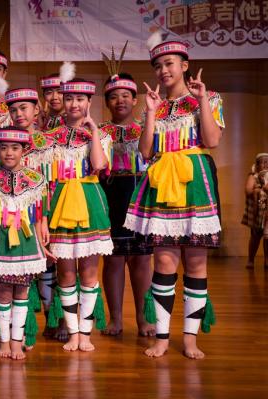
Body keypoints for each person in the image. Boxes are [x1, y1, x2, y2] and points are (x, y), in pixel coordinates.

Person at [125, 32, 224, 359]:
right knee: (164, 262)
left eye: (169, 63)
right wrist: (151, 111)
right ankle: (163, 337)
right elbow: (145, 152)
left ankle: (191, 339)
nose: (163, 70)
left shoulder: (208, 98)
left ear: (184, 65)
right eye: (157, 66)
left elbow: (212, 140)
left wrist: (203, 99)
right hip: (161, 182)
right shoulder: (154, 105)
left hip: (194, 181)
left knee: (196, 262)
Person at [46, 71, 113, 352]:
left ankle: (85, 333)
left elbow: (98, 165)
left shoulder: (101, 135)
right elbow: (44, 179)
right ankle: (73, 332)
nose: (74, 104)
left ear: (89, 101)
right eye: (69, 98)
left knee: (88, 274)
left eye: (80, 99)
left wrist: (94, 132)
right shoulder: (49, 137)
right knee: (65, 275)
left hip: (90, 201)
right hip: (59, 203)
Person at [0, 127, 52, 360]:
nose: (9, 153)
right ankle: (3, 340)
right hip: (0, 240)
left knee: (22, 291)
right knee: (2, 292)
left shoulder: (37, 179)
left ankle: (16, 341)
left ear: (24, 150)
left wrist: (42, 246)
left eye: (15, 148)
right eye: (3, 148)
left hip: (26, 240)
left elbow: (37, 216)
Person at [99, 70, 154, 337]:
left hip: (140, 194)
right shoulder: (99, 131)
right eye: (113, 97)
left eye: (125, 95)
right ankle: (116, 318)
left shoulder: (146, 128)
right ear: (107, 102)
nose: (120, 100)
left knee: (142, 260)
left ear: (134, 100)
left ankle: (144, 319)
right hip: (110, 196)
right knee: (113, 260)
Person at [242, 153, 268, 269]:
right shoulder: (253, 176)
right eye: (263, 162)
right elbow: (248, 190)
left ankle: (266, 259)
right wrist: (257, 190)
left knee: (267, 238)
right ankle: (251, 259)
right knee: (255, 236)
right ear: (257, 165)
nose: (266, 164)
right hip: (257, 212)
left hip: (267, 213)